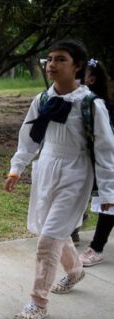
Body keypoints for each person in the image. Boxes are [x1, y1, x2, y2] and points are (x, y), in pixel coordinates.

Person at [5, 40, 114, 319]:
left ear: (77, 66)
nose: (51, 64)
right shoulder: (42, 100)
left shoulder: (91, 104)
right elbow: (29, 138)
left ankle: (38, 302)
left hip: (76, 174)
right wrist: (17, 168)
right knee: (52, 229)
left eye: (60, 59)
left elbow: (105, 150)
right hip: (46, 169)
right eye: (49, 59)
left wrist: (108, 190)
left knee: (48, 238)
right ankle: (75, 271)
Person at [79, 59, 114, 267]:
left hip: (106, 160)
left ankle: (97, 247)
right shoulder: (77, 102)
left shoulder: (100, 106)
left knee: (108, 201)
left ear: (90, 79)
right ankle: (72, 228)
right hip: (87, 160)